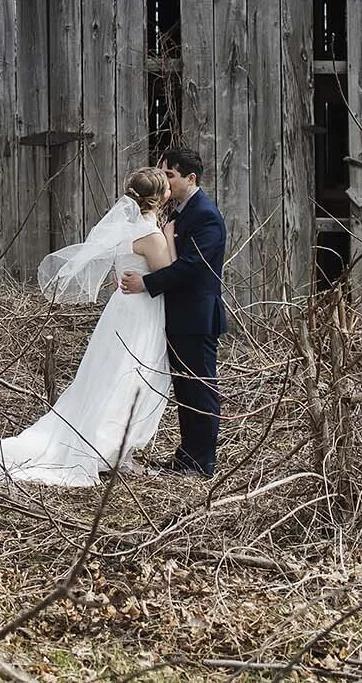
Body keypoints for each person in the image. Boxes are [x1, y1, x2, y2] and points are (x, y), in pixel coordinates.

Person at [0, 168, 176, 487]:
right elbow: (168, 276)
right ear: (160, 198)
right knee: (133, 376)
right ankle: (111, 452)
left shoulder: (123, 231)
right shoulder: (152, 235)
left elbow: (122, 273)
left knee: (110, 374)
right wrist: (171, 239)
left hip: (120, 309)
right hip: (142, 311)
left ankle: (114, 449)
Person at [119, 145, 227, 477]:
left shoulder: (206, 215)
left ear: (190, 178)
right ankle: (187, 457)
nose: (164, 180)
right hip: (177, 317)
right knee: (184, 388)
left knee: (201, 389)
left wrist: (147, 284)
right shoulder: (180, 211)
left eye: (170, 175)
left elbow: (193, 267)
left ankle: (202, 463)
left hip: (197, 317)